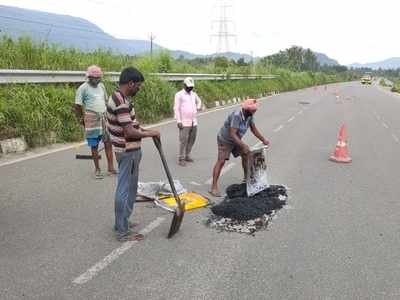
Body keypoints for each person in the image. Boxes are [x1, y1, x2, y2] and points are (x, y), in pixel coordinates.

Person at [107, 67, 160, 242]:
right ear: (130, 83)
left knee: (130, 189)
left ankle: (122, 222)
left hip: (129, 150)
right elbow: (129, 132)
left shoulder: (121, 98)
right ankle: (122, 232)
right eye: (138, 85)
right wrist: (150, 134)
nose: (139, 88)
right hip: (127, 151)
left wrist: (146, 130)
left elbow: (132, 125)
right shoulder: (121, 102)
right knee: (124, 190)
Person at [209, 98, 270, 197]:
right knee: (221, 161)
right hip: (225, 140)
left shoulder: (249, 116)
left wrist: (263, 140)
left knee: (246, 154)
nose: (255, 111)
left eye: (255, 109)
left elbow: (254, 129)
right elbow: (232, 134)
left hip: (237, 139)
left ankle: (246, 179)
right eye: (253, 110)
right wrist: (243, 145)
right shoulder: (237, 115)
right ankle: (214, 187)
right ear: (247, 109)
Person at [74, 65, 117, 179]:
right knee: (94, 145)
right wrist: (81, 119)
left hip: (104, 117)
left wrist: (111, 115)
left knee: (108, 143)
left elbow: (106, 101)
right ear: (89, 77)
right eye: (95, 78)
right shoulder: (83, 88)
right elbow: (77, 105)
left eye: (99, 78)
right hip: (91, 119)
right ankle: (97, 169)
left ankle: (111, 168)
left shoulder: (101, 86)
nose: (98, 80)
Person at [174, 77, 202, 166]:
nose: (190, 88)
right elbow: (176, 108)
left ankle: (187, 155)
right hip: (184, 122)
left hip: (194, 121)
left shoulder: (194, 94)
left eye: (192, 87)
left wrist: (198, 107)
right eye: (189, 86)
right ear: (184, 85)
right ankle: (181, 158)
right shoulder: (179, 95)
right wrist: (179, 121)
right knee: (183, 140)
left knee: (192, 139)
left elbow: (199, 101)